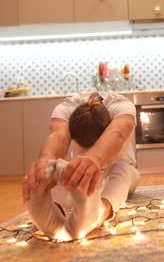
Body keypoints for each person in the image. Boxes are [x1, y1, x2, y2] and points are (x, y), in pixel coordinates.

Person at [22, 91, 140, 240]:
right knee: (60, 168)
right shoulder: (67, 107)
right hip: (82, 175)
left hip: (121, 170)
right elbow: (59, 136)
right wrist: (46, 162)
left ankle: (100, 211)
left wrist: (95, 158)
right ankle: (57, 210)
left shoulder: (121, 105)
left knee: (122, 170)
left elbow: (118, 132)